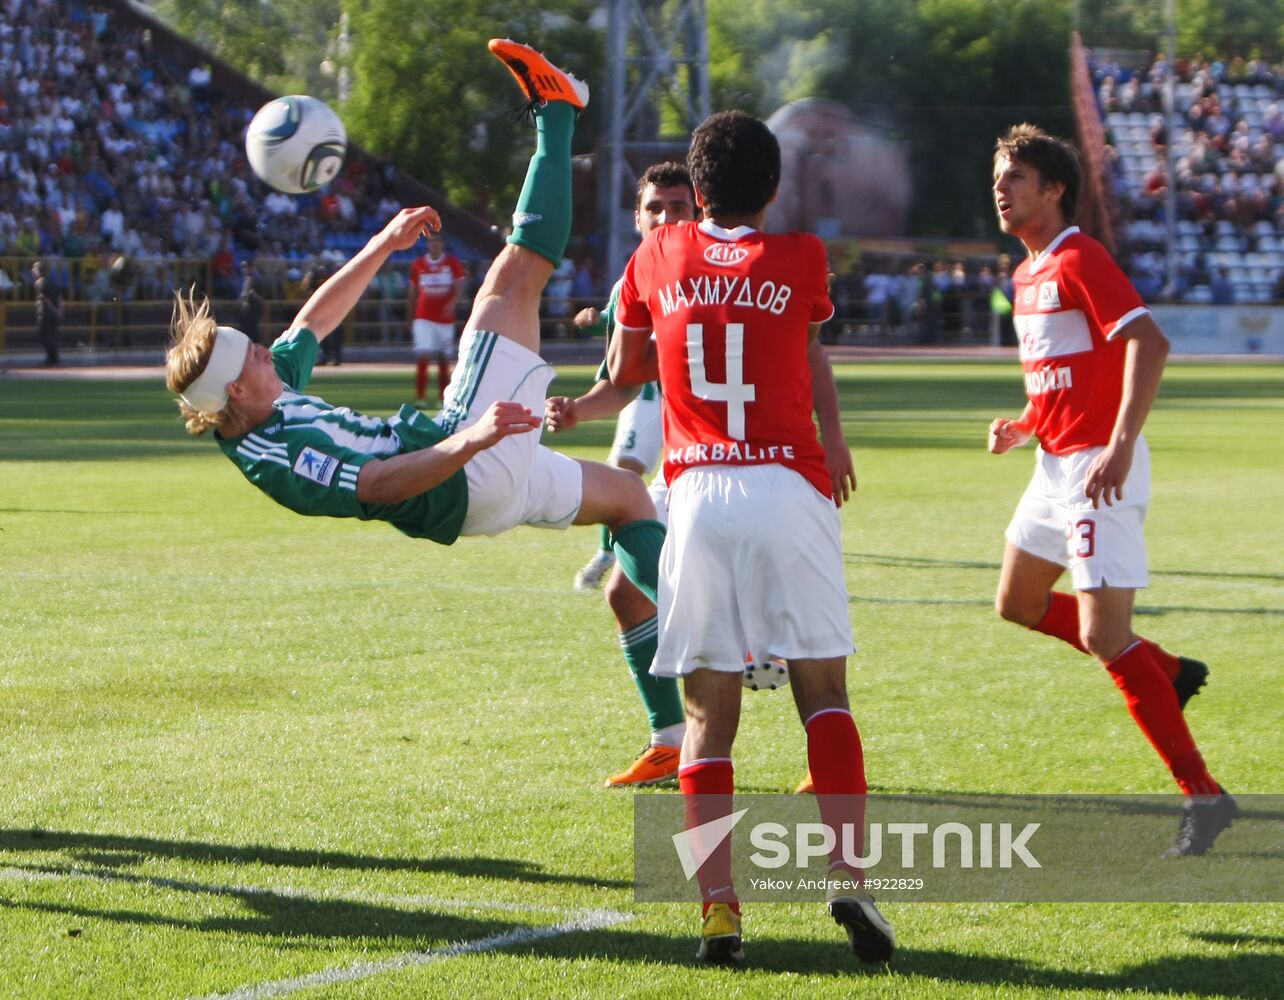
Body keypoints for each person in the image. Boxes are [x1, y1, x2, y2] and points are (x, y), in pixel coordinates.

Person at [165, 42, 667, 719]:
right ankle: (557, 113)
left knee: (630, 499)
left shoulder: (258, 399)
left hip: (478, 485)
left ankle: (668, 736)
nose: (264, 351)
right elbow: (377, 485)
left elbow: (312, 324)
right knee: (513, 278)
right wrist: (473, 439)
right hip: (462, 469)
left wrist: (380, 246)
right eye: (252, 353)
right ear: (233, 393)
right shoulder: (276, 458)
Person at [609, 110, 893, 967]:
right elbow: (805, 348)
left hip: (696, 493)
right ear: (773, 191)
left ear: (693, 192)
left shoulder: (655, 256)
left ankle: (719, 912)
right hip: (789, 487)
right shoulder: (803, 257)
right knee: (824, 693)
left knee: (706, 715)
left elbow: (626, 372)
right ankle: (851, 874)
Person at [548, 161, 858, 790]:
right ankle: (671, 738)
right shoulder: (647, 273)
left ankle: (732, 672)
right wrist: (580, 407)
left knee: (626, 496)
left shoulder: (674, 262)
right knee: (625, 592)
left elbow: (806, 350)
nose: (665, 218)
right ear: (635, 217)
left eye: (676, 206)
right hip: (696, 452)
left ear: (701, 206)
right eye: (653, 208)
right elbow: (622, 380)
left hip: (702, 454)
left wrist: (835, 435)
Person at [988, 123, 1236, 859]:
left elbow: (1147, 343)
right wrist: (1026, 424)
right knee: (1018, 602)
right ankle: (1164, 669)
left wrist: (1121, 446)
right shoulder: (1026, 275)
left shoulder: (1078, 257)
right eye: (998, 178)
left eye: (1015, 179)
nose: (1000, 190)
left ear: (1054, 189)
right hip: (1055, 463)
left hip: (1100, 465)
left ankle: (1204, 795)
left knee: (1102, 635)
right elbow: (1066, 374)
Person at [408, 231, 466, 404]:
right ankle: (421, 398)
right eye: (431, 241)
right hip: (423, 317)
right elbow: (412, 292)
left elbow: (459, 286)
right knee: (423, 354)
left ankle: (443, 398)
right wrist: (410, 316)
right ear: (427, 244)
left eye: (437, 241)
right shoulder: (418, 264)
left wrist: (452, 303)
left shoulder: (452, 263)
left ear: (442, 244)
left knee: (443, 358)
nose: (434, 244)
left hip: (445, 319)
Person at [32, 259, 64, 366]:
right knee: (51, 336)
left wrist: (54, 310)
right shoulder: (52, 281)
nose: (33, 270)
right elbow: (60, 297)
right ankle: (53, 358)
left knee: (45, 336)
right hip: (53, 312)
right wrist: (60, 310)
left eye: (34, 268)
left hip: (46, 313)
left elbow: (45, 299)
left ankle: (52, 359)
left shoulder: (39, 282)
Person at [237, 259, 264, 346]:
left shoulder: (257, 279)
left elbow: (260, 297)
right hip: (245, 312)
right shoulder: (245, 280)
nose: (244, 269)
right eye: (243, 267)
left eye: (246, 267)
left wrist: (253, 295)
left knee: (253, 333)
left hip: (253, 310)